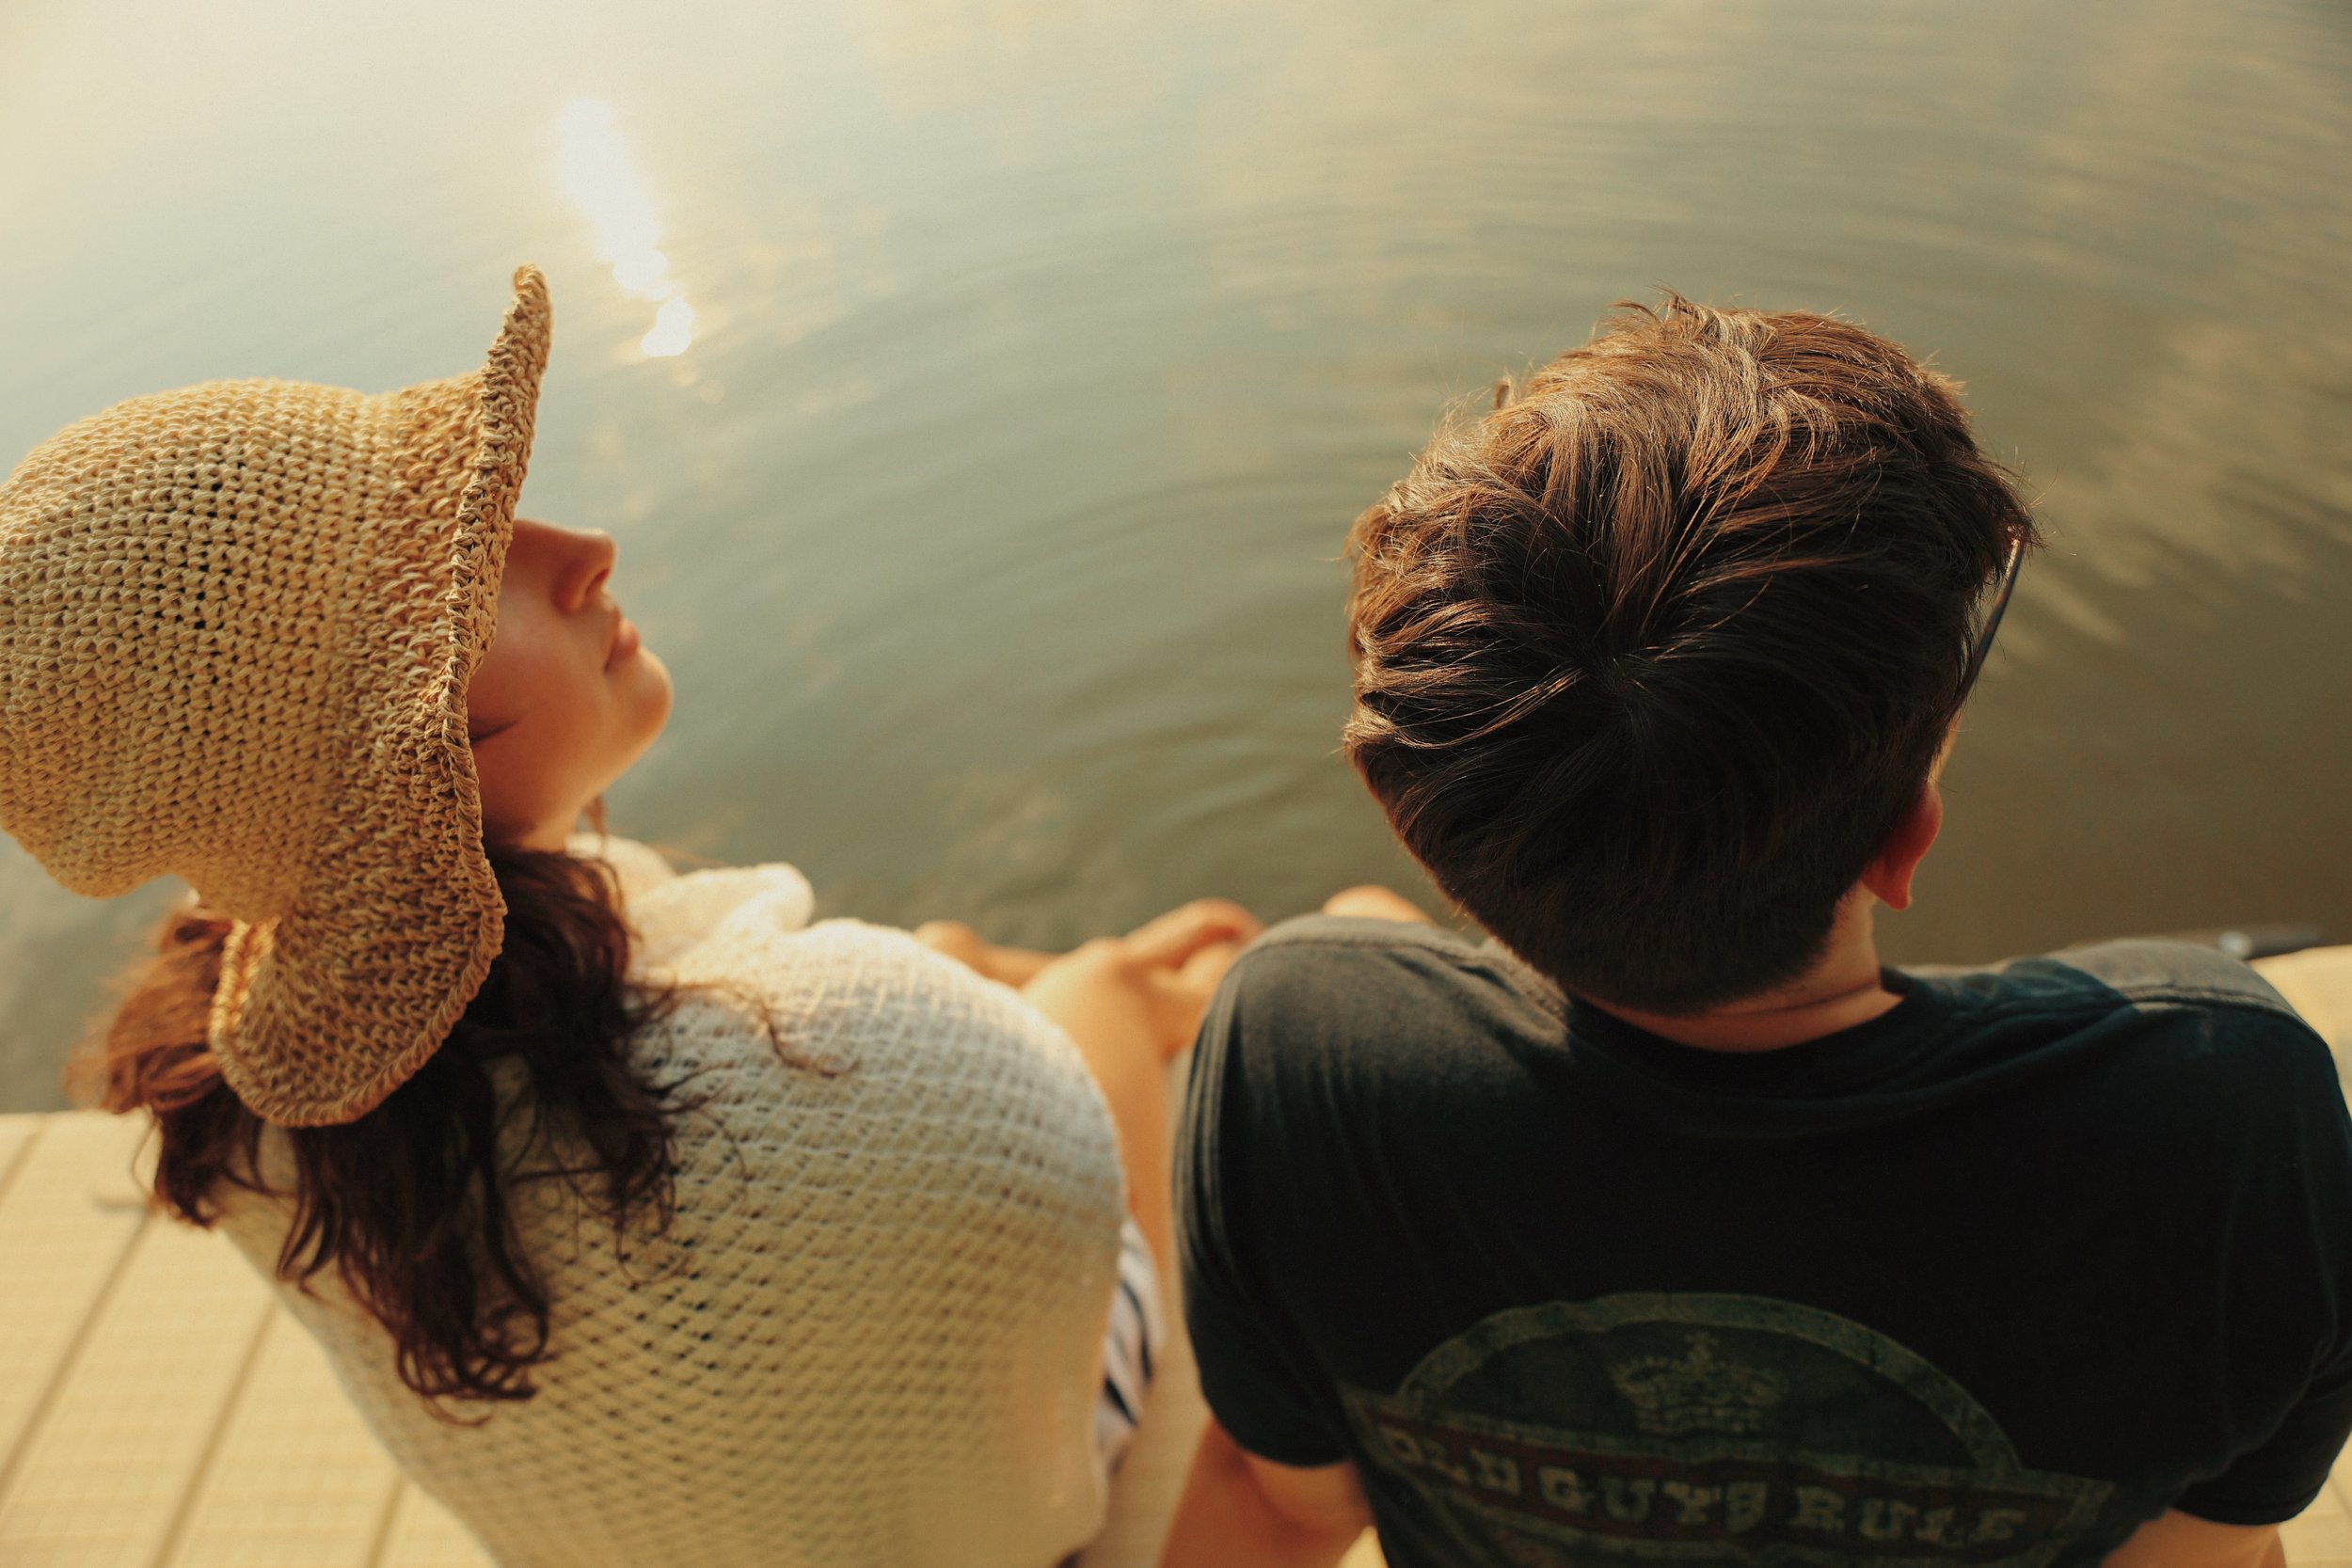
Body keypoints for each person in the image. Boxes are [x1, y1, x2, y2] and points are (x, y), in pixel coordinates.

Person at [0, 266, 1258, 1568]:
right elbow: (1075, 1242)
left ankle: (1110, 977)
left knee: (953, 956)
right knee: (1104, 985)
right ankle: (1204, 996)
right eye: (464, 569)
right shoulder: (863, 1063)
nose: (580, 546)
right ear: (380, 759)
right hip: (1019, 1492)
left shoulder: (255, 1129)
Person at [1162, 296, 2352, 1568]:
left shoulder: (1298, 1066)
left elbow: (1283, 1506)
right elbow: (2202, 1555)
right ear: (1908, 840)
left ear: (1420, 832)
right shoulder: (2221, 1117)